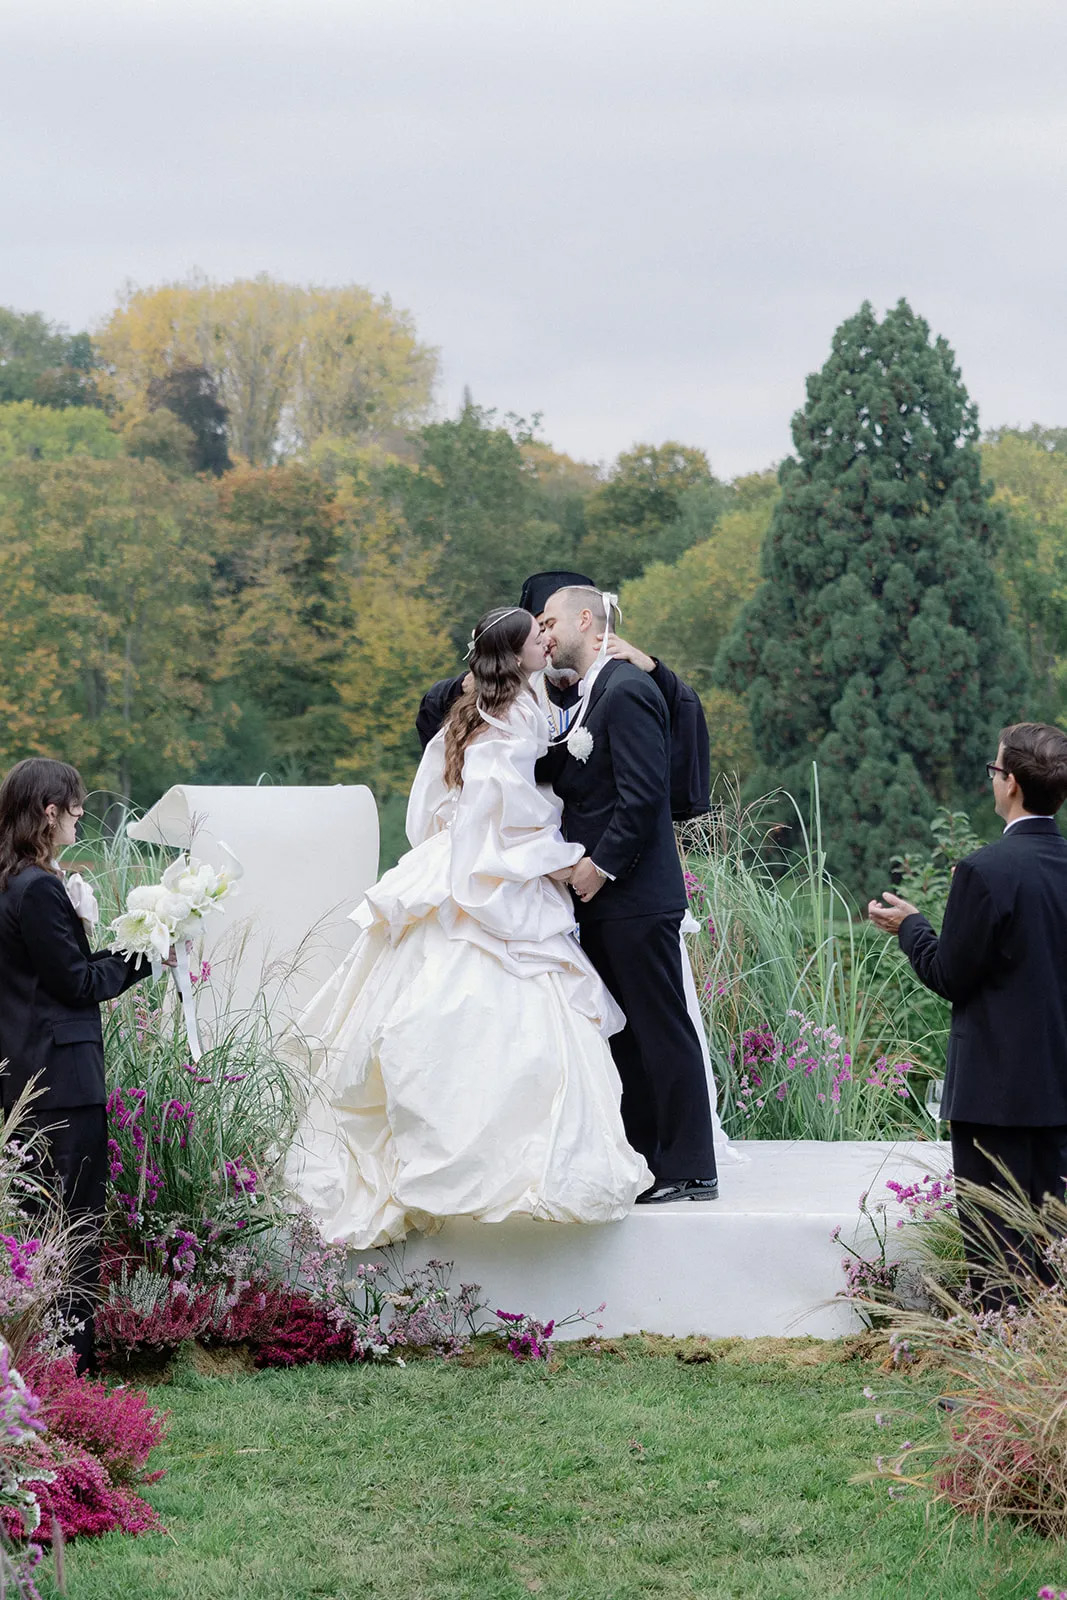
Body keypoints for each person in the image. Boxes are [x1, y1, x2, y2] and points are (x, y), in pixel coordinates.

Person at [286, 605, 652, 1249]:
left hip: (461, 858)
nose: (548, 638)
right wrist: (559, 856)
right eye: (538, 635)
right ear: (515, 656)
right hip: (491, 870)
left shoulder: (491, 703)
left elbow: (429, 803)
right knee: (491, 1012)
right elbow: (501, 808)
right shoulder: (508, 715)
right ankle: (488, 1165)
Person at [868, 722, 1067, 1304]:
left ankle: (996, 1389)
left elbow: (950, 975)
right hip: (1060, 1091)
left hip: (996, 1095)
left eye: (994, 770)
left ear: (1009, 784)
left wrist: (911, 927)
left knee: (996, 1249)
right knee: (1057, 1246)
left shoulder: (985, 871)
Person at [535, 586, 718, 1203]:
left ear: (586, 619)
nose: (546, 632)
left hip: (636, 895)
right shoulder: (589, 696)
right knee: (629, 1035)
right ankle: (648, 1157)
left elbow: (645, 796)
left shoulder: (627, 690)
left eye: (551, 621)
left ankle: (692, 1168)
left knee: (662, 1029)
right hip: (608, 903)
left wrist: (598, 868)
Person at [0, 758, 152, 1373]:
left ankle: (44, 1362)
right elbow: (75, 981)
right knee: (73, 1225)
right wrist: (144, 951)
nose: (82, 814)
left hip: (27, 1075)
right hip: (62, 1079)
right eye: (75, 804)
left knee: (42, 1225)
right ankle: (72, 1368)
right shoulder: (37, 889)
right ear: (48, 810)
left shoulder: (14, 883)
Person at [417, 570, 711, 823]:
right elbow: (446, 717)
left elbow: (679, 709)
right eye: (539, 628)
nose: (547, 639)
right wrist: (483, 679)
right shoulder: (518, 687)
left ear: (582, 622)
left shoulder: (617, 684)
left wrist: (653, 669)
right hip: (526, 835)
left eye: (552, 625)